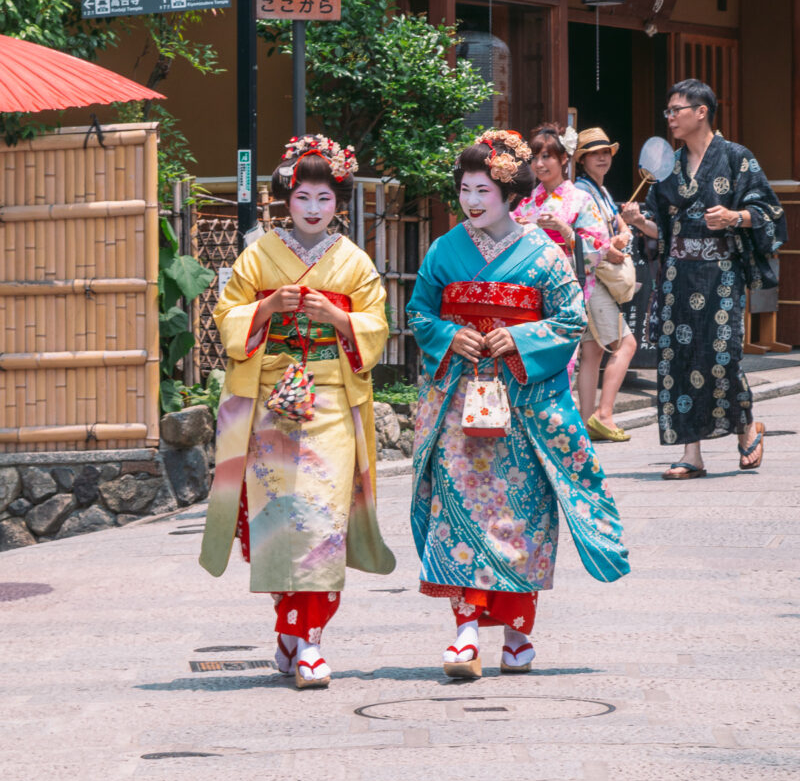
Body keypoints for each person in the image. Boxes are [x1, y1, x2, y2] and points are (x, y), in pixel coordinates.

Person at [407, 129, 630, 681]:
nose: (472, 201)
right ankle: (463, 633)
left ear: (509, 194)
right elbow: (419, 313)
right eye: (464, 190)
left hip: (521, 404)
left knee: (521, 516)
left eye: (483, 190)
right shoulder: (444, 249)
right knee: (457, 511)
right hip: (462, 402)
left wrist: (522, 339)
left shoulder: (543, 254)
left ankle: (517, 632)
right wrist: (445, 335)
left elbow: (570, 318)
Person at [199, 134, 395, 688]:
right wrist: (266, 306)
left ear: (339, 203)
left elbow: (375, 329)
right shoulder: (258, 254)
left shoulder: (353, 263)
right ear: (288, 198)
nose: (313, 209)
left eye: (325, 199)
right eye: (304, 197)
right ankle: (289, 627)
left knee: (322, 516)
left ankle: (310, 640)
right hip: (272, 401)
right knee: (279, 516)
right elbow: (224, 316)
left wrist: (337, 319)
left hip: (331, 396)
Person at [622, 81, 787, 480]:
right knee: (677, 360)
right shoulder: (667, 168)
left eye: (677, 109)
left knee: (722, 357)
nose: (671, 117)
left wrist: (734, 217)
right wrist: (638, 221)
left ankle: (746, 426)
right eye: (669, 110)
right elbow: (661, 232)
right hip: (677, 276)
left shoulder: (735, 158)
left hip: (721, 275)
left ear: (702, 111)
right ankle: (690, 453)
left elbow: (771, 213)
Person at [512, 123, 615, 424]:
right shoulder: (528, 203)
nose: (540, 164)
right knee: (534, 359)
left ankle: (564, 430)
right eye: (535, 157)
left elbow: (599, 248)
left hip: (568, 291)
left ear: (564, 160)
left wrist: (566, 231)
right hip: (532, 294)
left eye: (547, 157)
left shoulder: (580, 200)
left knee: (564, 361)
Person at [574, 128, 638, 443]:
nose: (602, 157)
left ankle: (587, 421)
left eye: (606, 152)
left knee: (592, 351)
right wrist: (612, 247)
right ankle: (605, 414)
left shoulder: (599, 191)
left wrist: (623, 233)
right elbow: (586, 239)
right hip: (592, 279)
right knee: (626, 344)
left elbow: (618, 224)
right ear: (582, 159)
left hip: (586, 280)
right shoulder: (582, 192)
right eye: (594, 153)